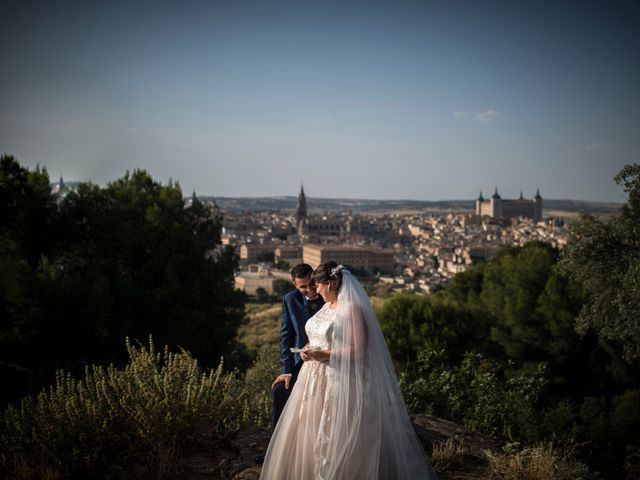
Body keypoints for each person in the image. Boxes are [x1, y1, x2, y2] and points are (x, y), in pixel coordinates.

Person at [259, 262, 438, 479]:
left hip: (338, 377)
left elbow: (359, 350)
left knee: (338, 429)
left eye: (318, 285)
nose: (316, 291)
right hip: (313, 378)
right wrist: (307, 350)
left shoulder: (352, 308)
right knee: (311, 427)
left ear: (331, 283)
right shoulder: (326, 306)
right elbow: (317, 336)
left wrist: (324, 354)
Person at [255, 263, 324, 464]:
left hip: (328, 360)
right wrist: (285, 371)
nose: (310, 289)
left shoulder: (329, 296)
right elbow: (286, 338)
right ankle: (275, 451)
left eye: (312, 283)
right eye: (303, 287)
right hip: (299, 362)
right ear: (295, 286)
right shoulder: (289, 300)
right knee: (279, 391)